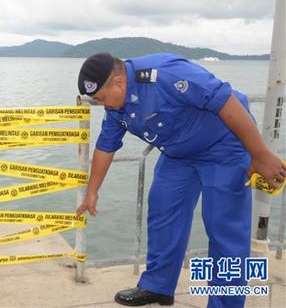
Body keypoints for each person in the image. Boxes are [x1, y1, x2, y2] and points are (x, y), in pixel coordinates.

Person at [76, 52, 286, 307]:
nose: (103, 105)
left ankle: (226, 303)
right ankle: (158, 287)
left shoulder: (166, 74)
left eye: (101, 98)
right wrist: (92, 192)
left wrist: (259, 154)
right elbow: (106, 145)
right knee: (163, 211)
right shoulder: (116, 106)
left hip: (223, 147)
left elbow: (225, 101)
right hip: (179, 154)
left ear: (119, 82)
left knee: (224, 228)